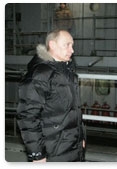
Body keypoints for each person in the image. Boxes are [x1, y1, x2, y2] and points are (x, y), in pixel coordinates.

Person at [17, 29, 85, 162]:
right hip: (53, 151)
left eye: (72, 45)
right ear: (52, 45)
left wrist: (80, 139)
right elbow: (28, 116)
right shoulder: (40, 74)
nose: (72, 50)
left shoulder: (67, 72)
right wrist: (37, 153)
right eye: (67, 45)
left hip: (71, 146)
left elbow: (73, 112)